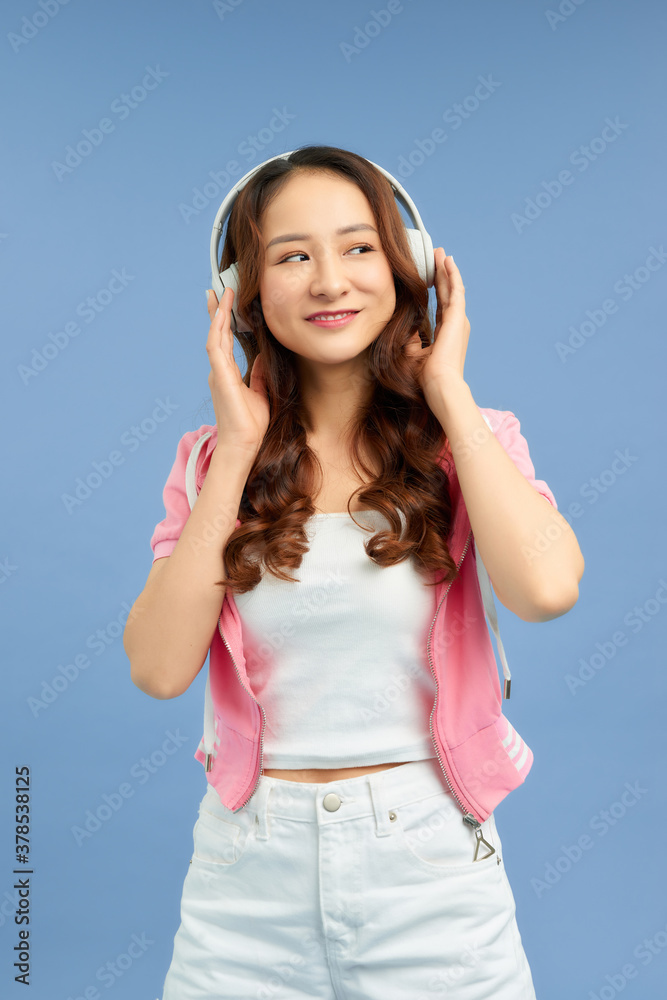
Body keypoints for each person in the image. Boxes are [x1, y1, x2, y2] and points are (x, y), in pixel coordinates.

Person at [124, 144, 584, 999]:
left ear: (406, 265)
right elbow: (156, 668)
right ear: (242, 295)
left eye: (359, 247)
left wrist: (448, 392)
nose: (330, 281)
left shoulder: (469, 442)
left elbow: (547, 590)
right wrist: (235, 451)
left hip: (430, 868)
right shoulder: (205, 464)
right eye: (292, 257)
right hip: (244, 879)